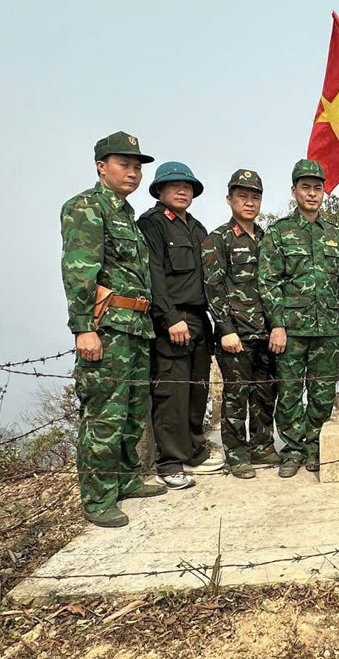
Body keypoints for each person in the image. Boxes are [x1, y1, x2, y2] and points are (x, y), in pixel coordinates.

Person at [60, 131, 165, 527]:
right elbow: (78, 271)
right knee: (105, 414)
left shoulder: (126, 216)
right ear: (101, 167)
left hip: (135, 328)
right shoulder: (86, 208)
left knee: (133, 412)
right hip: (107, 328)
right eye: (125, 164)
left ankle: (124, 480)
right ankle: (98, 498)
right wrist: (83, 328)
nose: (134, 172)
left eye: (138, 166)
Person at [259, 159, 339, 477]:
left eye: (317, 187)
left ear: (323, 192)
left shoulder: (334, 235)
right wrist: (277, 324)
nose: (312, 193)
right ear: (294, 191)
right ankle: (292, 450)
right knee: (288, 392)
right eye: (306, 187)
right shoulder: (279, 233)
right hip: (291, 330)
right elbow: (268, 281)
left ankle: (315, 447)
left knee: (322, 393)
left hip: (328, 329)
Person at [138, 162, 223, 490]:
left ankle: (193, 450)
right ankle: (170, 461)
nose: (182, 190)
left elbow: (210, 279)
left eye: (188, 186)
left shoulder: (197, 228)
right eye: (174, 185)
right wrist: (169, 318)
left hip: (200, 318)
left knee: (197, 387)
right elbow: (154, 274)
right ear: (160, 189)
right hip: (172, 319)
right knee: (172, 391)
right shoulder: (153, 224)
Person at [201, 169, 280, 479]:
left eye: (255, 196)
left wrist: (277, 325)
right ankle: (237, 454)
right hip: (237, 332)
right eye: (243, 196)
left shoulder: (267, 238)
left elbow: (275, 285)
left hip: (266, 331)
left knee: (265, 392)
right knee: (236, 395)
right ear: (229, 199)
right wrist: (225, 329)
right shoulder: (217, 239)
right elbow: (213, 288)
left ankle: (262, 445)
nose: (249, 202)